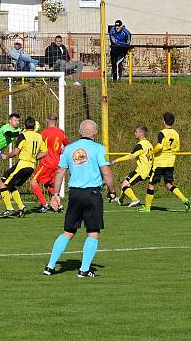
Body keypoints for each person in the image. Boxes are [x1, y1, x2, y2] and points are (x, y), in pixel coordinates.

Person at [43, 119, 116, 278]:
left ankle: (50, 266)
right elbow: (106, 172)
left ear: (79, 132)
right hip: (92, 194)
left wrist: (55, 194)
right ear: (95, 133)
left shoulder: (68, 149)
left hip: (74, 194)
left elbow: (60, 172)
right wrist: (112, 191)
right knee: (93, 232)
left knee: (68, 231)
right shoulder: (99, 148)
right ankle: (84, 269)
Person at [138, 112, 190, 213]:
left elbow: (160, 146)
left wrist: (151, 153)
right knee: (168, 184)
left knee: (151, 184)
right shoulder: (176, 133)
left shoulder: (162, 133)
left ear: (164, 121)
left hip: (159, 163)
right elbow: (178, 148)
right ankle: (184, 199)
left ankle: (147, 207)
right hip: (170, 163)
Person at [0, 116, 47, 218]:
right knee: (11, 185)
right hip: (31, 167)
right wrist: (34, 157)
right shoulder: (39, 136)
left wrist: (6, 156)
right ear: (34, 126)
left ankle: (9, 209)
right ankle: (21, 207)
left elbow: (16, 152)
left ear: (24, 126)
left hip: (22, 165)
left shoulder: (23, 136)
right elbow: (45, 152)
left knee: (2, 184)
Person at [31, 113, 67, 212]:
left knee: (33, 181)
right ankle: (58, 205)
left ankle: (44, 204)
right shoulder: (61, 133)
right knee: (50, 185)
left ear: (46, 120)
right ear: (57, 121)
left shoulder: (44, 132)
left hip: (47, 162)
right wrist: (60, 151)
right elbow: (67, 145)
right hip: (57, 163)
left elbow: (37, 145)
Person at [110, 124, 153, 207]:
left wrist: (117, 160)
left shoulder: (140, 145)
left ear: (141, 133)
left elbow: (131, 156)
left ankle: (135, 199)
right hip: (144, 170)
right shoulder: (149, 144)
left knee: (124, 185)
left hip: (141, 171)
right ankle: (120, 200)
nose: (135, 133)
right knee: (126, 181)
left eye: (136, 132)